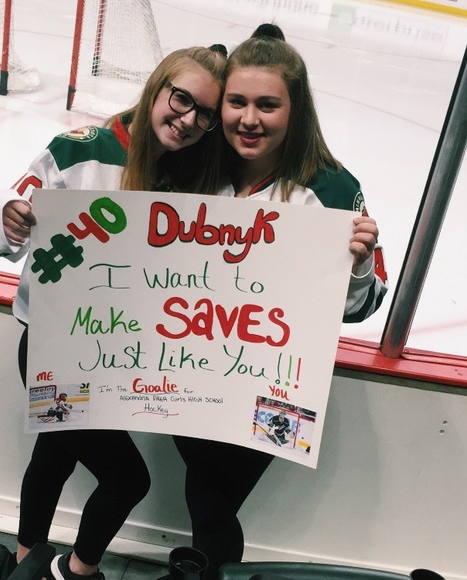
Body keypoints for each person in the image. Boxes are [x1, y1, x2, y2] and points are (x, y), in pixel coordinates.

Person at [0, 44, 228, 580]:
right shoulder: (79, 151)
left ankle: (27, 563)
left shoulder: (198, 176)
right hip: (54, 347)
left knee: (54, 454)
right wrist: (9, 214)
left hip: (118, 354)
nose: (189, 120)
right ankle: (74, 572)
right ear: (157, 87)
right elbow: (5, 217)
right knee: (127, 479)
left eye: (205, 114)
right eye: (182, 99)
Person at [172, 23, 388, 580]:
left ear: (296, 110)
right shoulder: (196, 165)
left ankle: (203, 572)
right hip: (189, 370)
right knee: (205, 496)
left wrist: (359, 264)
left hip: (271, 384)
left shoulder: (334, 189)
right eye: (237, 102)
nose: (249, 119)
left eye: (267, 105)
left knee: (210, 499)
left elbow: (361, 307)